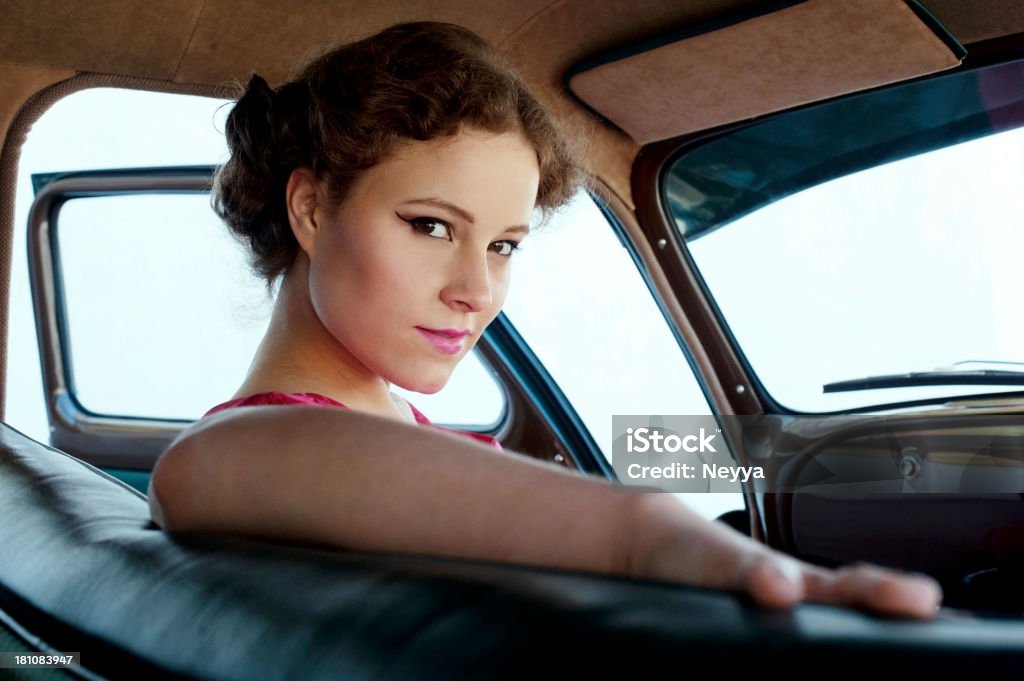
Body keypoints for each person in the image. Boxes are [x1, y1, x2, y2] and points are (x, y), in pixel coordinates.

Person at [148, 21, 941, 618]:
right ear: (311, 207)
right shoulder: (231, 452)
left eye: (502, 245)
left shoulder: (378, 425)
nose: (477, 289)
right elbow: (207, 467)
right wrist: (688, 547)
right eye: (430, 225)